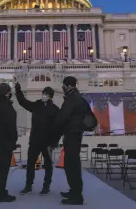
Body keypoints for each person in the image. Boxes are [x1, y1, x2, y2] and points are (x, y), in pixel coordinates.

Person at [15, 82, 59, 195]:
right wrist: (18, 91)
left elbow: (58, 126)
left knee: (48, 164)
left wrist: (54, 141)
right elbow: (23, 102)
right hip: (35, 140)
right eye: (44, 93)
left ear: (51, 96)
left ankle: (46, 186)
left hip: (47, 142)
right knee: (30, 163)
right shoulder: (36, 105)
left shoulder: (54, 109)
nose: (44, 95)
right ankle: (28, 185)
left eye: (47, 94)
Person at [50, 76, 89, 205]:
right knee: (71, 163)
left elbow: (62, 119)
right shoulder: (79, 98)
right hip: (75, 134)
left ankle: (77, 196)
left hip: (72, 134)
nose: (62, 87)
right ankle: (74, 190)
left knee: (71, 165)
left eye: (64, 85)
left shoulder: (72, 99)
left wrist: (54, 137)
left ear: (67, 86)